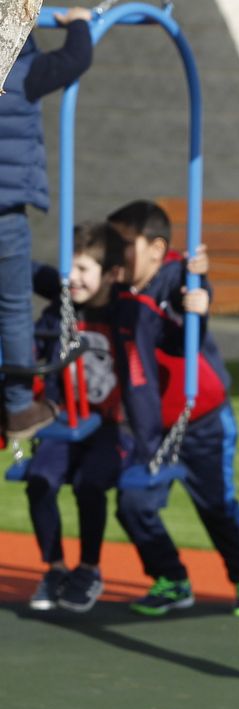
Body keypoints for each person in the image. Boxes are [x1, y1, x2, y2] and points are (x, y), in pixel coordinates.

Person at [106, 199, 239, 617]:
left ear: (155, 247)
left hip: (201, 420)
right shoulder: (117, 289)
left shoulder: (174, 277)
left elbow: (188, 302)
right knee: (133, 504)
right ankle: (171, 578)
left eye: (125, 243)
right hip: (151, 428)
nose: (117, 253)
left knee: (217, 507)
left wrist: (199, 289)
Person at [1, 8, 94, 440]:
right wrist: (77, 22)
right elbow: (75, 59)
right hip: (5, 213)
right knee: (13, 304)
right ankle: (19, 406)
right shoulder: (23, 71)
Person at [25, 223, 125, 613]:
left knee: (90, 484)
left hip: (107, 422)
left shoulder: (120, 312)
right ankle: (54, 568)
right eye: (69, 268)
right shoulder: (57, 312)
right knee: (38, 481)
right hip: (65, 419)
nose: (73, 278)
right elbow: (34, 345)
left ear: (107, 273)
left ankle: (88, 568)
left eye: (84, 269)